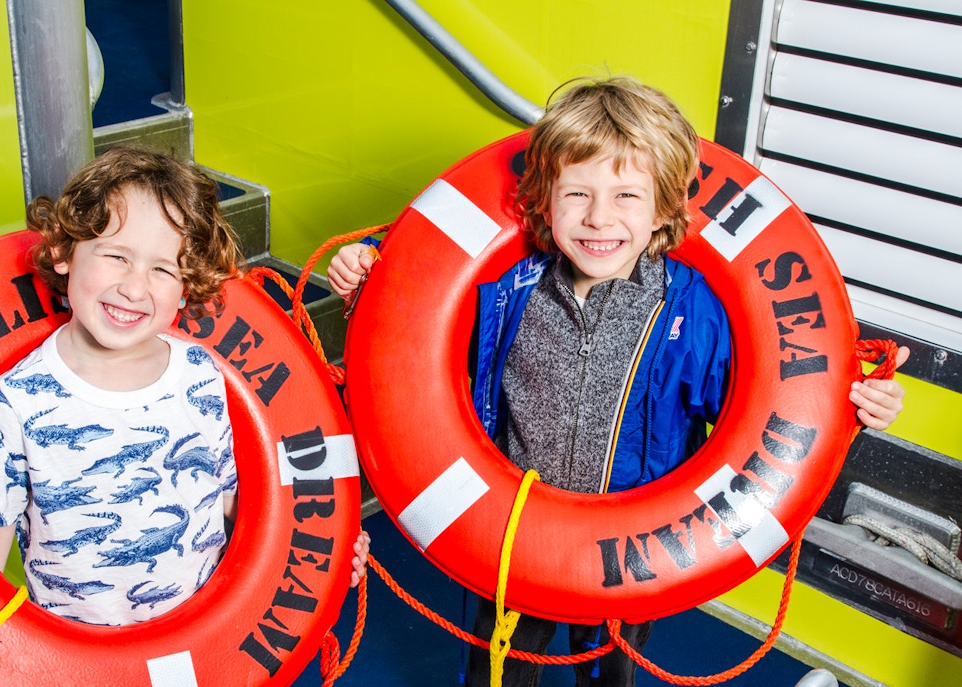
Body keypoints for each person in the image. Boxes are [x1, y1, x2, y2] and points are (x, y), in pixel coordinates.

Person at [327, 76, 908, 686]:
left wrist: (857, 409)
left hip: (637, 545)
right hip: (513, 533)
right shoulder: (508, 293)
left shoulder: (697, 312)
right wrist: (362, 279)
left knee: (611, 674)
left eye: (627, 195)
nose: (599, 217)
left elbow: (778, 410)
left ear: (663, 208)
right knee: (496, 668)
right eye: (576, 193)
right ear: (544, 200)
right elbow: (414, 346)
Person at [0, 145, 369, 626]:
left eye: (161, 269)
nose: (134, 289)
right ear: (62, 253)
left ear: (187, 286)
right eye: (116, 256)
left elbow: (232, 500)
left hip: (201, 641)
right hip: (76, 657)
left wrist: (324, 550)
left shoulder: (201, 376)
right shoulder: (17, 398)